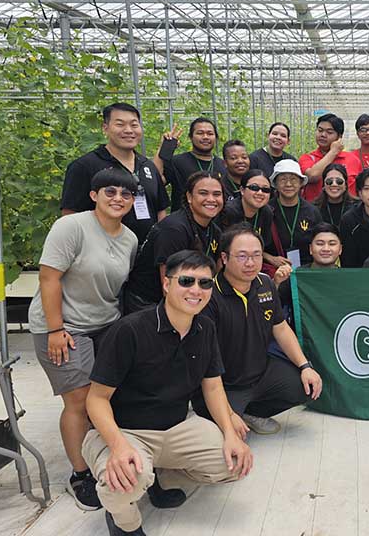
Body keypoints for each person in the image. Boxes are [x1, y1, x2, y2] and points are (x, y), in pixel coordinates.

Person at [83, 250, 252, 536]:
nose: (196, 290)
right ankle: (124, 522)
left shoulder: (205, 327)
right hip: (125, 431)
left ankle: (158, 474)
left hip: (177, 425)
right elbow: (96, 399)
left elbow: (212, 386)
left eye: (205, 283)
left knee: (234, 462)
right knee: (124, 482)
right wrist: (118, 446)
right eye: (186, 281)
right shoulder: (130, 330)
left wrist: (230, 433)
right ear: (166, 284)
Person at [29, 168, 139, 512]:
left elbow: (116, 288)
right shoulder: (71, 227)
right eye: (110, 191)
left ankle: (106, 455)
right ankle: (80, 474)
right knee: (78, 401)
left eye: (126, 194)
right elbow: (49, 278)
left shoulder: (130, 239)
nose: (118, 198)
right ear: (93, 195)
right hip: (64, 327)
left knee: (105, 396)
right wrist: (55, 330)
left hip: (106, 323)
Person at [193, 225, 323, 436]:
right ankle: (233, 412)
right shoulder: (209, 296)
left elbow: (280, 327)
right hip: (225, 385)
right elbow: (203, 360)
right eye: (242, 256)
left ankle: (251, 413)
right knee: (220, 437)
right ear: (224, 258)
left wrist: (305, 365)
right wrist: (228, 415)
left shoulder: (265, 283)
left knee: (306, 385)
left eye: (256, 255)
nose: (251, 263)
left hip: (261, 373)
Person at [61, 103, 168, 244]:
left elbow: (160, 209)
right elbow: (70, 214)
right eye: (120, 124)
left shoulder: (147, 166)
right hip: (103, 253)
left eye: (134, 125)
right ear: (105, 128)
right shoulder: (84, 166)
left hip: (148, 256)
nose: (129, 130)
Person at [123, 171, 224, 313]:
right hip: (149, 305)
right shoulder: (173, 230)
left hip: (190, 295)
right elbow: (169, 288)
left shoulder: (214, 231)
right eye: (203, 193)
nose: (211, 199)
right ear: (189, 197)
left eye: (217, 194)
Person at [153, 117, 231, 212]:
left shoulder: (223, 165)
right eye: (200, 133)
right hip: (184, 222)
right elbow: (155, 180)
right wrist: (163, 148)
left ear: (216, 137)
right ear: (191, 137)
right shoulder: (177, 162)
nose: (205, 137)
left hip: (216, 222)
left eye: (210, 133)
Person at [277, 223, 343, 326]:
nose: (326, 249)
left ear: (340, 249)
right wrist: (276, 284)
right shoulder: (296, 277)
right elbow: (272, 308)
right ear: (311, 249)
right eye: (320, 243)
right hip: (299, 339)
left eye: (332, 244)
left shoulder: (347, 278)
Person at [266, 159, 323, 269]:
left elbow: (320, 241)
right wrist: (270, 258)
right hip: (274, 269)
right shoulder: (266, 210)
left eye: (293, 179)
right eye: (283, 179)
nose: (288, 184)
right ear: (275, 184)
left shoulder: (312, 211)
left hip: (306, 270)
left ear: (301, 183)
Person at [300, 113, 362, 201]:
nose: (323, 135)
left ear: (339, 136)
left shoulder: (353, 159)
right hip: (316, 211)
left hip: (347, 211)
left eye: (329, 132)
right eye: (320, 130)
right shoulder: (307, 158)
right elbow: (312, 176)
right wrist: (333, 151)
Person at [221, 170, 275, 255]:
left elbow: (264, 246)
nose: (260, 193)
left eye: (265, 189)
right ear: (242, 190)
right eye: (254, 188)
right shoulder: (229, 211)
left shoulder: (267, 212)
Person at [313, 163, 356, 228]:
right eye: (329, 181)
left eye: (339, 181)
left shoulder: (357, 207)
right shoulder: (313, 209)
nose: (334, 184)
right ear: (323, 185)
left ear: (345, 185)